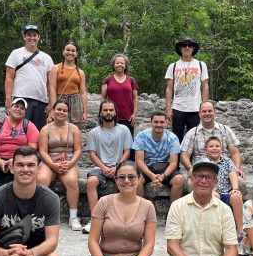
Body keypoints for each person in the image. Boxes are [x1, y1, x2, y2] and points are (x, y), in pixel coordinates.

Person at [82, 100, 133, 234]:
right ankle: (95, 219)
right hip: (100, 167)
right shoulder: (94, 132)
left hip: (120, 165)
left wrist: (117, 166)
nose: (108, 113)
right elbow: (92, 154)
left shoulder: (124, 129)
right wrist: (103, 167)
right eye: (105, 110)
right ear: (100, 112)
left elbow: (127, 151)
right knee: (92, 181)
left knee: (126, 181)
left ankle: (122, 218)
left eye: (111, 110)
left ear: (115, 112)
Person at [181, 101, 246, 194]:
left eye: (210, 111)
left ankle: (234, 205)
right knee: (191, 184)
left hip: (225, 170)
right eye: (204, 111)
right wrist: (190, 168)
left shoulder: (225, 130)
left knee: (241, 183)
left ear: (215, 113)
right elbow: (184, 155)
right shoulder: (192, 133)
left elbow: (235, 153)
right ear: (199, 114)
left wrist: (237, 168)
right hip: (201, 171)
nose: (207, 114)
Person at [37, 99, 83, 231]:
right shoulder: (45, 129)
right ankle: (43, 214)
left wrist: (70, 163)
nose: (61, 112)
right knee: (41, 179)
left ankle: (73, 216)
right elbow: (42, 151)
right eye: (59, 109)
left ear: (68, 113)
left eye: (64, 110)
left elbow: (78, 149)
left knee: (71, 180)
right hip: (49, 159)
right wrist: (52, 164)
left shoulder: (74, 129)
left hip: (68, 159)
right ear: (53, 111)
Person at [0, 98, 39, 200]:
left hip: (20, 159)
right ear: (10, 109)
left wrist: (15, 160)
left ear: (25, 113)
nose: (18, 109)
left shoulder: (29, 126)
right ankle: (0, 202)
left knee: (21, 176)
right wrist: (0, 162)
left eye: (22, 108)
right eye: (16, 106)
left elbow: (32, 148)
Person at [5, 24, 54, 130]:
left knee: (39, 132)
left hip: (41, 101)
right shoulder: (16, 53)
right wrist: (8, 99)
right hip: (21, 98)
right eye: (29, 35)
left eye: (35, 35)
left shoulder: (47, 58)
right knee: (19, 130)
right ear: (24, 37)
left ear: (38, 37)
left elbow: (50, 83)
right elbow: (9, 77)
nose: (32, 38)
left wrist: (51, 103)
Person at [133, 111, 185, 203]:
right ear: (151, 122)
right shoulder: (141, 136)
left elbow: (173, 163)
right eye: (156, 122)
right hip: (146, 167)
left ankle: (173, 213)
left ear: (166, 123)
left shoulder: (172, 138)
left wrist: (163, 176)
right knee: (136, 179)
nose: (159, 124)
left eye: (162, 122)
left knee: (179, 179)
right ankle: (140, 211)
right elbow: (139, 161)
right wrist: (151, 175)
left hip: (164, 167)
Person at [165, 37, 209, 143]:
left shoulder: (201, 65)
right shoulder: (173, 66)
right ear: (180, 48)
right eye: (184, 45)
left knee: (195, 138)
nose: (187, 47)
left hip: (195, 108)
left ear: (193, 48)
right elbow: (169, 88)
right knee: (176, 138)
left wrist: (204, 106)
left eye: (190, 45)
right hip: (178, 108)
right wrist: (168, 108)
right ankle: (176, 159)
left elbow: (205, 86)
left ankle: (193, 160)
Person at [204, 136, 243, 237]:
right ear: (206, 150)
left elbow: (232, 174)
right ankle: (216, 231)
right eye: (211, 146)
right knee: (215, 196)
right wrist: (212, 190)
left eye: (217, 146)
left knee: (236, 197)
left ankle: (240, 230)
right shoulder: (204, 162)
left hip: (226, 193)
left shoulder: (227, 161)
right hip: (211, 192)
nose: (214, 148)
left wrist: (235, 188)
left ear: (221, 149)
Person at [48, 41, 87, 125]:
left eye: (73, 51)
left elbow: (83, 93)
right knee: (58, 126)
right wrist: (52, 109)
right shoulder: (55, 68)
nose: (70, 52)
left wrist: (85, 112)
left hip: (76, 101)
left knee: (75, 128)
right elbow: (52, 89)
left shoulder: (80, 72)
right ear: (63, 52)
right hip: (60, 100)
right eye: (68, 50)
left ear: (76, 54)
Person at [100, 53, 139, 138]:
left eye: (122, 63)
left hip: (128, 117)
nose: (119, 65)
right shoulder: (107, 80)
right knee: (111, 141)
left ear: (125, 66)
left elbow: (135, 98)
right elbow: (103, 97)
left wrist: (134, 114)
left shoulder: (131, 80)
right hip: (111, 116)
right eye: (117, 63)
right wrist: (104, 112)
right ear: (113, 65)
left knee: (128, 142)